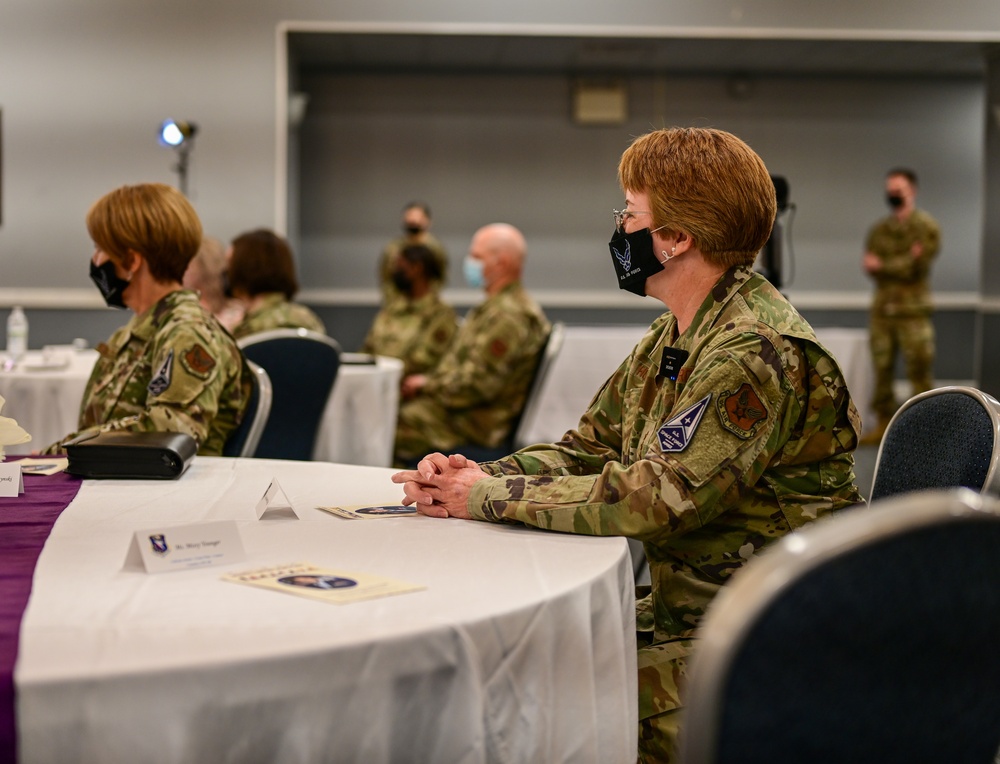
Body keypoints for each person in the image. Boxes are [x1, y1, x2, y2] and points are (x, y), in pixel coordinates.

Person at [392, 128, 863, 762]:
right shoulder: (677, 335)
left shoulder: (752, 350)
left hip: (763, 635)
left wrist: (486, 497)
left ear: (674, 239)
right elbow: (587, 449)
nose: (619, 231)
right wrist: (472, 473)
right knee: (512, 657)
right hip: (694, 612)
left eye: (630, 216)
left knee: (528, 701)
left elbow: (658, 500)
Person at [43, 183, 251, 456]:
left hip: (166, 494)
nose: (95, 260)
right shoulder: (140, 330)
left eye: (99, 248)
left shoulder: (187, 332)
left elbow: (170, 432)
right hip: (119, 485)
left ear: (131, 261)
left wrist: (60, 451)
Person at [393, 223, 549, 468]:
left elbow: (477, 385)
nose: (469, 262)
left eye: (477, 256)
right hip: (459, 414)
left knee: (390, 427)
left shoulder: (508, 316)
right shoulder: (493, 308)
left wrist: (427, 385)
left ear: (501, 263)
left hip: (473, 426)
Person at [860, 168, 941, 445]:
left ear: (912, 191)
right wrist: (901, 262)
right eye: (890, 190)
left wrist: (886, 265)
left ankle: (926, 429)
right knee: (881, 369)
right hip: (883, 311)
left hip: (913, 312)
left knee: (919, 369)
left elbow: (915, 267)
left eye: (898, 190)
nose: (893, 195)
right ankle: (884, 425)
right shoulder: (879, 230)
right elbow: (870, 266)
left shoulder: (926, 227)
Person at [361, 243, 457, 376]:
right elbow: (368, 349)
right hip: (375, 383)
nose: (394, 272)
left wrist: (383, 375)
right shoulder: (393, 309)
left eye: (400, 266)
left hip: (411, 390)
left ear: (416, 268)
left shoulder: (440, 314)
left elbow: (423, 360)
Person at [227, 228, 327, 340]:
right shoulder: (308, 320)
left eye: (229, 264)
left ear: (244, 269)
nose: (225, 272)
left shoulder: (247, 330)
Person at [379, 202, 448, 301]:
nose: (413, 220)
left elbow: (440, 278)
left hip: (427, 304)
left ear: (427, 221)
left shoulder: (435, 249)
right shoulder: (393, 248)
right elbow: (385, 278)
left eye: (418, 217)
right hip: (398, 303)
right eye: (410, 217)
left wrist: (429, 299)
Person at [182, 236, 245, 332]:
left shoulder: (238, 313)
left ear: (204, 267)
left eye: (188, 265)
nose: (182, 271)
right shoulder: (182, 309)